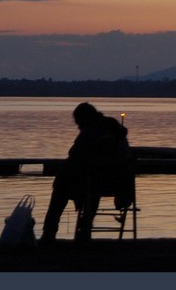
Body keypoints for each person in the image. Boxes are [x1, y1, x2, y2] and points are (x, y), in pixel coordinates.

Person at [39, 102, 132, 245]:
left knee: (61, 187)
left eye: (78, 122)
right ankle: (84, 228)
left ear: (84, 119)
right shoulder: (115, 130)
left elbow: (74, 154)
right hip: (118, 183)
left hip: (94, 182)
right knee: (91, 183)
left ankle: (49, 232)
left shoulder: (91, 131)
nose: (77, 126)